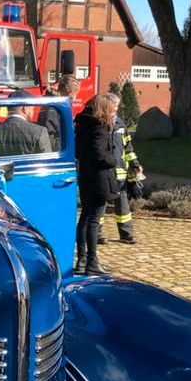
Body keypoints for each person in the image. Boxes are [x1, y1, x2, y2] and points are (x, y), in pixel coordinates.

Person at [74, 94, 118, 275]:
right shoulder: (99, 127)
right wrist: (113, 160)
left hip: (86, 176)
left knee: (85, 218)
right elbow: (99, 154)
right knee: (93, 220)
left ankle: (82, 260)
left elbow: (79, 151)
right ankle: (92, 261)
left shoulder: (83, 125)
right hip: (99, 179)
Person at [99, 93, 144, 245]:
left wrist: (135, 164)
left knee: (123, 205)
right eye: (114, 106)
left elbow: (128, 148)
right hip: (105, 173)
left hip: (120, 174)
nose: (116, 109)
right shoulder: (100, 123)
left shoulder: (120, 125)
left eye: (117, 106)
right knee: (101, 204)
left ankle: (127, 234)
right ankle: (98, 234)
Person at [38, 76, 80, 148]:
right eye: (76, 94)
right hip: (57, 153)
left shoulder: (60, 106)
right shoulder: (52, 109)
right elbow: (49, 140)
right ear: (70, 93)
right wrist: (70, 142)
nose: (76, 97)